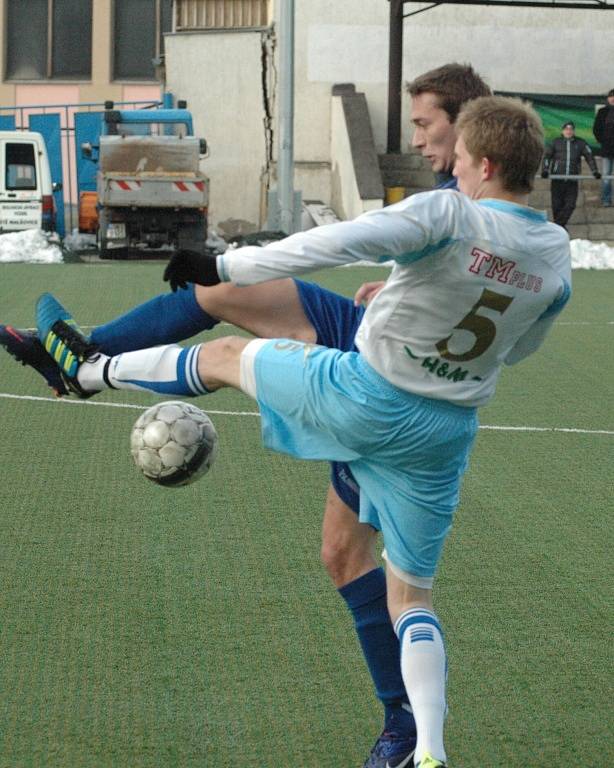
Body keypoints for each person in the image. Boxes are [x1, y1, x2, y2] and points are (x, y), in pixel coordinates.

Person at [32, 96, 570, 768]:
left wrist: (226, 265)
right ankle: (427, 748)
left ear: (485, 165)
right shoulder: (554, 255)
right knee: (412, 596)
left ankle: (88, 372)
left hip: (366, 397)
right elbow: (514, 349)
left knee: (227, 358)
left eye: (458, 161)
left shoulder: (450, 212)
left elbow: (336, 242)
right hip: (442, 435)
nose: (452, 173)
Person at [541, 120, 600, 229]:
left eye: (571, 129)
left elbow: (589, 157)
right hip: (557, 179)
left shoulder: (580, 143)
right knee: (557, 206)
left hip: (572, 180)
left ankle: (557, 227)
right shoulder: (555, 142)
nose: (568, 131)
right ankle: (560, 229)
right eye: (566, 129)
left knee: (570, 205)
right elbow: (547, 157)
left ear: (573, 131)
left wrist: (595, 171)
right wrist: (545, 170)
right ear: (562, 131)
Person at [592, 88, 614, 206]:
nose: (613, 98)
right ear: (608, 98)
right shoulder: (602, 112)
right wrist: (603, 141)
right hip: (606, 150)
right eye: (611, 96)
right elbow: (596, 129)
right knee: (606, 176)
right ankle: (606, 200)